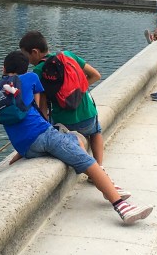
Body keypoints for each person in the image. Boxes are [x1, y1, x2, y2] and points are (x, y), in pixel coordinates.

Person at [0, 51, 153, 224]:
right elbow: (41, 107)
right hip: (44, 136)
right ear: (24, 68)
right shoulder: (30, 77)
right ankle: (119, 204)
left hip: (26, 147)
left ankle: (107, 188)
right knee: (86, 158)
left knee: (72, 139)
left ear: (3, 69)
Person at [19, 31, 109, 172]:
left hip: (64, 122)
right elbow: (96, 75)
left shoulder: (38, 71)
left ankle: (89, 168)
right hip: (88, 117)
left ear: (35, 52)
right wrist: (78, 92)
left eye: (26, 55)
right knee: (96, 131)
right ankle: (100, 167)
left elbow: (42, 108)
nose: (27, 60)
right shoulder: (68, 55)